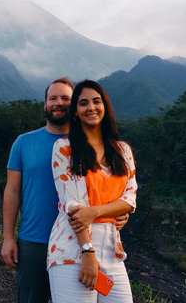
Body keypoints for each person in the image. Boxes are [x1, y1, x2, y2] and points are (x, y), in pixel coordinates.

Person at [1, 77, 129, 303]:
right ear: (45, 104)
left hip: (79, 240)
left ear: (74, 106)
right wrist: (7, 238)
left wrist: (118, 212)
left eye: (65, 98)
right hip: (35, 240)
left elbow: (109, 189)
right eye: (53, 98)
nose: (58, 103)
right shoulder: (24, 142)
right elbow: (12, 191)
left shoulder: (91, 145)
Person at [47, 79, 137, 303]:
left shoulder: (122, 149)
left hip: (112, 249)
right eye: (83, 103)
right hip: (72, 248)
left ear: (105, 106)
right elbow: (73, 206)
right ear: (75, 112)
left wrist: (95, 212)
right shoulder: (64, 148)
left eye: (96, 101)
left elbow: (130, 198)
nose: (91, 107)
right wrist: (87, 251)